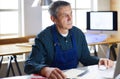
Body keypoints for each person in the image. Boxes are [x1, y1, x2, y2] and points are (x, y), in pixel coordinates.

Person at [24, 1, 114, 79]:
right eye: (65, 15)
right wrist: (45, 70)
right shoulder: (43, 37)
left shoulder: (78, 33)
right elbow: (29, 65)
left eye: (71, 14)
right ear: (53, 19)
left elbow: (86, 58)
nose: (70, 18)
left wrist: (99, 61)